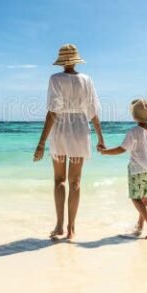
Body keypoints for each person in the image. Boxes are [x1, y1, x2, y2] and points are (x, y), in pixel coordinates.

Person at [33, 44, 105, 241]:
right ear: (76, 60)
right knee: (75, 182)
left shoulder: (55, 79)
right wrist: (100, 138)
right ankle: (71, 229)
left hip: (60, 129)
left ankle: (59, 226)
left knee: (59, 180)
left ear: (61, 61)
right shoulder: (87, 80)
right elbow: (93, 111)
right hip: (80, 129)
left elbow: (53, 112)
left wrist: (41, 143)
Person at [99, 98, 147, 239]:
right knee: (146, 200)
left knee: (135, 198)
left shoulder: (133, 132)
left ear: (133, 116)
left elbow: (122, 149)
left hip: (136, 171)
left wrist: (105, 152)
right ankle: (141, 226)